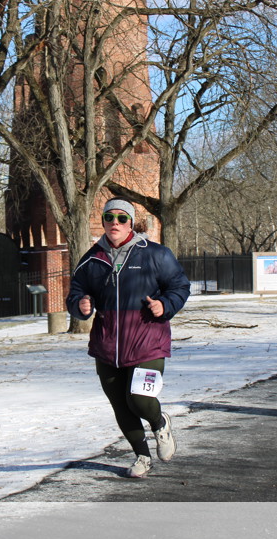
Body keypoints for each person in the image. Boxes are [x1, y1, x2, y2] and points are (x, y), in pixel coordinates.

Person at [67, 198, 191, 479]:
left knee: (139, 399)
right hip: (107, 346)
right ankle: (142, 457)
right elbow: (75, 293)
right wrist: (80, 305)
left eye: (122, 218)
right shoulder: (91, 259)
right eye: (109, 217)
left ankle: (159, 424)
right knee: (121, 406)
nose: (115, 223)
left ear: (131, 223)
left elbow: (180, 286)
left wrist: (165, 304)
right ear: (103, 221)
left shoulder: (155, 254)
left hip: (148, 342)